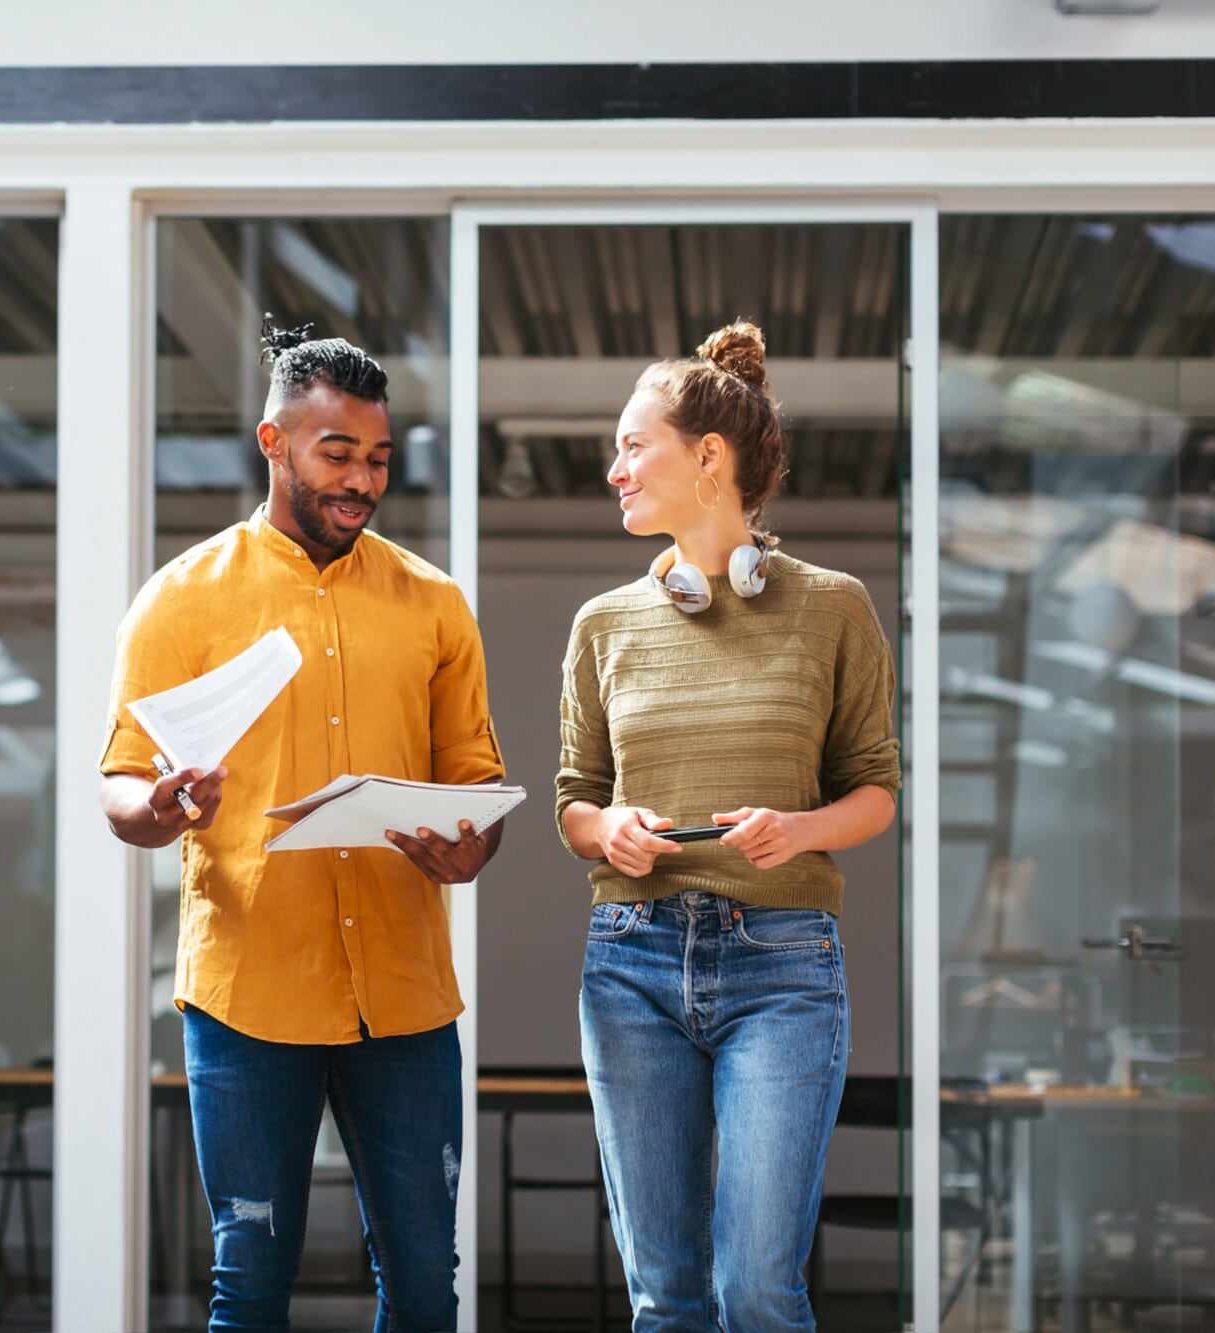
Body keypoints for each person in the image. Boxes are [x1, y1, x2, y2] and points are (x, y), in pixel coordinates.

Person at [100, 324, 507, 1332]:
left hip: (405, 1002)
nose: (361, 482)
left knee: (424, 1283)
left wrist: (469, 844)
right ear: (271, 442)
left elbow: (475, 782)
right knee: (248, 1285)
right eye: (337, 454)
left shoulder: (435, 604)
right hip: (247, 998)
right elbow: (119, 784)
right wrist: (158, 807)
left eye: (376, 459)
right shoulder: (178, 600)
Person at [556, 322, 901, 1331]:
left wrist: (797, 831)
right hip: (630, 960)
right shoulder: (602, 624)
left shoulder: (831, 609)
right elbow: (573, 796)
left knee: (756, 1287)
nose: (613, 467)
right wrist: (604, 829)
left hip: (781, 965)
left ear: (710, 456)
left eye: (632, 444)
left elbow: (875, 789)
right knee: (665, 1296)